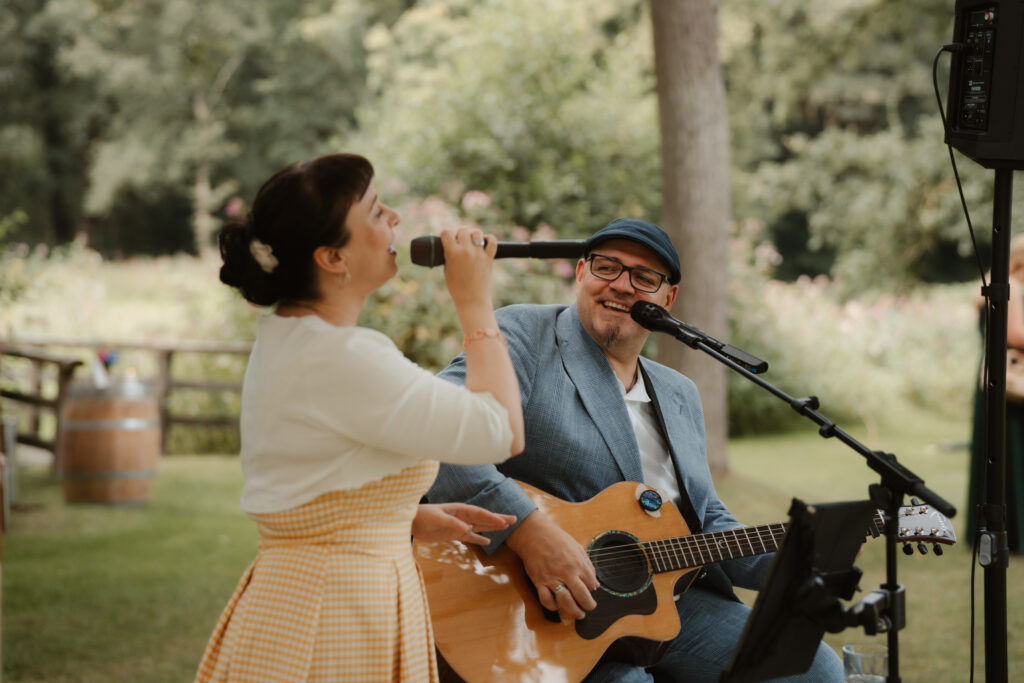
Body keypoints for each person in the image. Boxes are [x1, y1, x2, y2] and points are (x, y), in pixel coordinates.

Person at [427, 218, 844, 682]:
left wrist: (803, 555)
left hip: (674, 606)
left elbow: (705, 521)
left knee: (815, 668)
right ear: (581, 272)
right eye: (608, 267)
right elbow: (440, 435)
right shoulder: (523, 332)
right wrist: (529, 533)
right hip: (545, 618)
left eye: (645, 277)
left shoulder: (679, 392)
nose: (623, 286)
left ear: (668, 298)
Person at [194, 153, 525, 683]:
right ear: (331, 257)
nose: (393, 217)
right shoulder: (343, 355)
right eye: (374, 212)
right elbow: (501, 430)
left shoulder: (288, 334)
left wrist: (397, 519)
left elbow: (303, 472)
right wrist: (475, 304)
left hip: (306, 596)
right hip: (334, 613)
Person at [968, 233, 1024, 553]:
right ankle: (1012, 533)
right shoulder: (1012, 288)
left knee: (999, 457)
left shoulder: (995, 285)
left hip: (996, 383)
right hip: (1010, 388)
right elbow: (1015, 335)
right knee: (1010, 457)